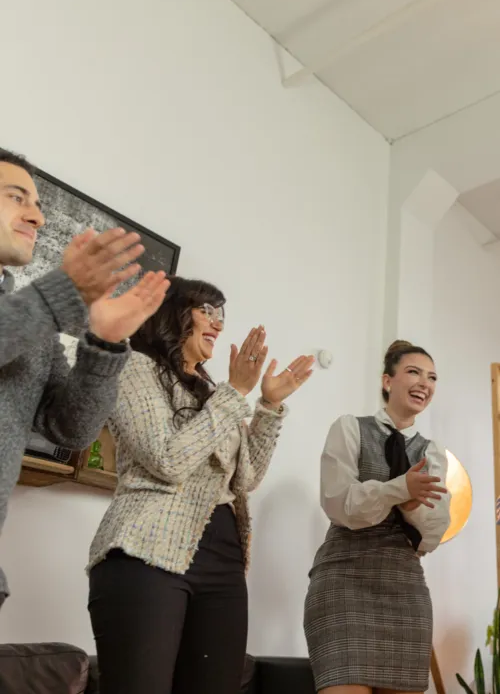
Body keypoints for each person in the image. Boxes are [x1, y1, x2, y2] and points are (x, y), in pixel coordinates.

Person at [87, 275, 315, 694]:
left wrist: (268, 405)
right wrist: (236, 392)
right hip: (146, 551)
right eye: (206, 311)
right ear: (171, 313)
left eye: (221, 315)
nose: (218, 324)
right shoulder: (133, 367)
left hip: (224, 559)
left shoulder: (212, 390)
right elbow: (168, 459)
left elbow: (246, 478)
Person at [0, 148, 169, 607]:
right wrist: (63, 294)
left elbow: (71, 429)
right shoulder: (40, 310)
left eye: (38, 205)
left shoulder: (36, 328)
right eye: (17, 197)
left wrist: (105, 344)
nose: (36, 217)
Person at [304, 340, 451, 694]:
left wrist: (414, 506)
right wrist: (400, 490)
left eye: (432, 377)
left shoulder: (432, 453)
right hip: (343, 583)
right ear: (387, 381)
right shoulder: (350, 428)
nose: (424, 383)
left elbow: (433, 534)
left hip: (405, 590)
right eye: (413, 372)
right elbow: (340, 504)